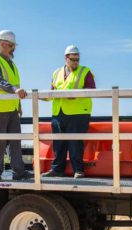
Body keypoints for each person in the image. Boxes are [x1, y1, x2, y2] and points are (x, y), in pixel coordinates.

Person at [0, 30, 33, 182]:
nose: (8, 47)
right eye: (5, 43)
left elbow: (14, 86)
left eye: (11, 45)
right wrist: (15, 90)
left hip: (11, 108)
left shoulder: (11, 63)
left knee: (14, 141)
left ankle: (19, 171)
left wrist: (17, 102)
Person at [42, 45, 96, 179]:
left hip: (78, 113)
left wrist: (76, 95)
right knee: (58, 143)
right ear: (66, 58)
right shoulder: (56, 73)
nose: (76, 62)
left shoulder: (85, 71)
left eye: (77, 59)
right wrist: (44, 96)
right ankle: (57, 169)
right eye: (73, 59)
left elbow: (92, 90)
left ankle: (78, 170)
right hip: (58, 113)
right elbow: (52, 91)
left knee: (75, 142)